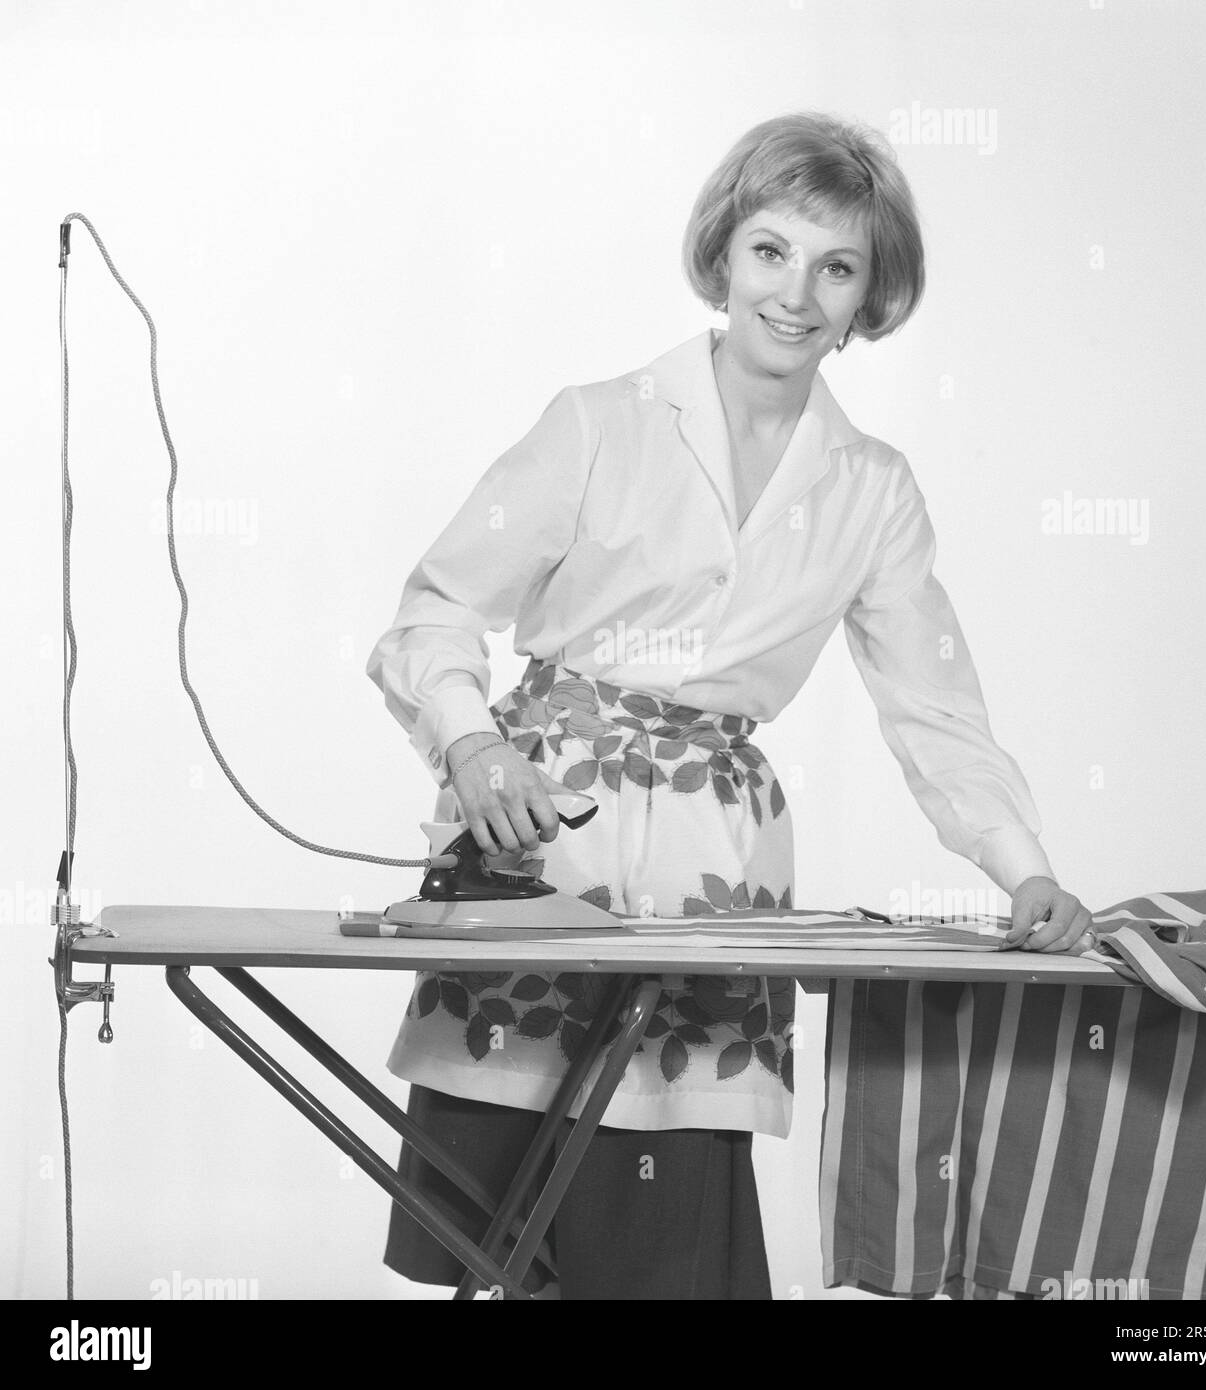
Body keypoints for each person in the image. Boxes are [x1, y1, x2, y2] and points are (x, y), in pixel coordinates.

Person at [365, 109, 1093, 1301]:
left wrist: (1025, 870)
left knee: (667, 1246)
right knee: (498, 1249)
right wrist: (474, 742)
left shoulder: (873, 491)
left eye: (837, 265)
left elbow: (936, 709)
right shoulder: (596, 423)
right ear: (725, 254)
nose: (796, 292)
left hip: (715, 863)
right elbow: (434, 611)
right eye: (772, 250)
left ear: (870, 296)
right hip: (540, 842)